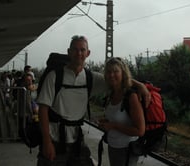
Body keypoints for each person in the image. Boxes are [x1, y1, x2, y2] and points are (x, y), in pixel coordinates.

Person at [37, 35, 149, 166]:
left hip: (77, 139)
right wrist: (46, 141)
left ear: (88, 53)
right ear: (69, 52)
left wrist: (140, 85)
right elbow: (43, 109)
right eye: (75, 49)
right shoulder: (55, 76)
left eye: (82, 50)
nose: (79, 53)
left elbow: (117, 79)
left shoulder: (91, 78)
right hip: (54, 138)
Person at [99, 57, 146, 166]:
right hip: (112, 146)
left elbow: (140, 131)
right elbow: (116, 118)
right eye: (109, 72)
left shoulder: (131, 96)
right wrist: (106, 122)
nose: (112, 75)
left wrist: (113, 126)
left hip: (127, 150)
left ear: (123, 73)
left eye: (116, 71)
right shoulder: (111, 94)